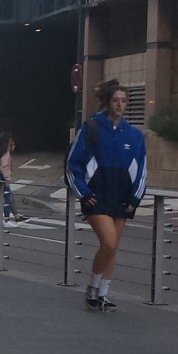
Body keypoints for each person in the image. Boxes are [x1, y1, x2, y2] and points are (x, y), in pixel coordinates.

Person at [65, 78, 147, 312]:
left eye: (124, 101)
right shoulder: (91, 127)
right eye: (115, 100)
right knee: (109, 242)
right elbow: (73, 164)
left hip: (121, 198)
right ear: (107, 102)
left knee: (112, 247)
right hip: (96, 196)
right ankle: (92, 288)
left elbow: (142, 170)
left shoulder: (134, 135)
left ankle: (103, 294)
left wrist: (135, 199)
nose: (120, 105)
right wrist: (83, 191)